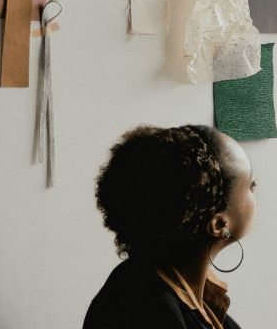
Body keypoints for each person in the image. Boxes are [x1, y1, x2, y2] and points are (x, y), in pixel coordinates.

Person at [84, 125, 257, 329]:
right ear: (219, 224)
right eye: (249, 184)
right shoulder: (145, 313)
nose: (255, 185)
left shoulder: (190, 293)